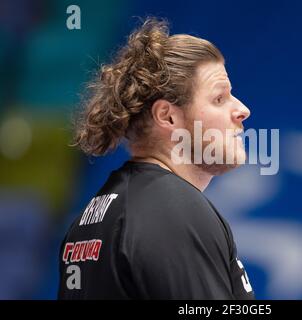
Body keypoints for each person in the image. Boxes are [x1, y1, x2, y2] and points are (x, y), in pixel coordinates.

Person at [58, 17, 255, 300]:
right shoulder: (177, 209)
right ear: (167, 116)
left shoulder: (90, 217)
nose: (242, 109)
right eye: (219, 98)